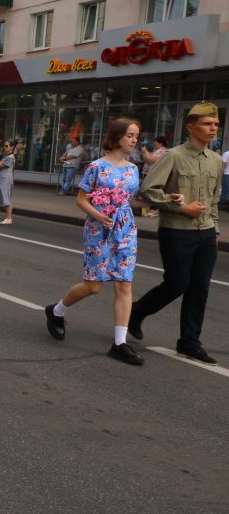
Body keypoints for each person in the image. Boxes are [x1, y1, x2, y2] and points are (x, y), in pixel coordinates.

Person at [44, 119, 154, 365]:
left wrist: (158, 202)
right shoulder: (96, 166)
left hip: (125, 229)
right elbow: (82, 199)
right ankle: (56, 310)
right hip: (99, 228)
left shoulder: (133, 169)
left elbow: (131, 201)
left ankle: (119, 344)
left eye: (136, 135)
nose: (134, 140)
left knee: (124, 285)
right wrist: (99, 216)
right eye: (129, 135)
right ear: (116, 137)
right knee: (93, 286)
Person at [129, 103, 222, 366]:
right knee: (177, 284)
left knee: (200, 289)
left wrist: (214, 229)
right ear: (191, 127)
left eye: (215, 124)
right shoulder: (173, 156)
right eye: (207, 124)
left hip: (205, 234)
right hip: (176, 232)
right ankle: (135, 312)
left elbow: (213, 200)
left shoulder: (215, 160)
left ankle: (189, 343)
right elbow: (149, 189)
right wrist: (182, 206)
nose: (213, 128)